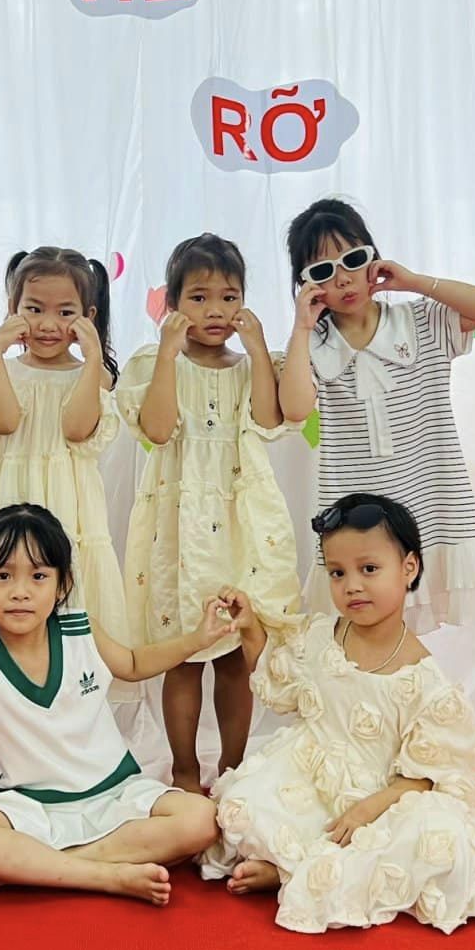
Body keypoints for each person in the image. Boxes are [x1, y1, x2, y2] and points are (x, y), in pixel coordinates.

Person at [204, 493, 475, 934]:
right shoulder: (322, 636)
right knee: (245, 805)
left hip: (387, 793)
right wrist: (250, 625)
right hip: (313, 771)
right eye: (338, 573)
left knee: (437, 839)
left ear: (409, 568)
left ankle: (294, 869)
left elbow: (428, 775)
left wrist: (368, 808)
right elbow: (276, 675)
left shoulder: (425, 682)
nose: (352, 585)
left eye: (369, 569)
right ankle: (296, 861)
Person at [0, 504, 222, 905]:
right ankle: (105, 875)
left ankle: (38, 868)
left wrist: (199, 639)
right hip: (31, 807)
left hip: (115, 793)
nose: (20, 591)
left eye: (38, 576)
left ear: (63, 585)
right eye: (3, 576)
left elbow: (132, 664)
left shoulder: (81, 630)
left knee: (201, 819)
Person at [119, 234, 301, 794]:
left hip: (240, 524)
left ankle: (233, 764)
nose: (216, 311)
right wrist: (167, 353)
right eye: (199, 298)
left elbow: (268, 421)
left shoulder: (250, 366)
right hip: (177, 526)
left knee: (234, 653)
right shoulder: (155, 363)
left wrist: (260, 347)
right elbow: (156, 430)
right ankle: (183, 767)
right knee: (183, 652)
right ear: (173, 304)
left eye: (229, 297)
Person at [279, 198, 475, 632]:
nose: (343, 279)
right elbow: (295, 408)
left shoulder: (418, 321)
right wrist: (302, 328)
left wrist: (415, 282)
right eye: (322, 271)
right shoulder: (314, 345)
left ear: (374, 258)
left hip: (427, 503)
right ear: (306, 285)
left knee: (403, 626)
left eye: (353, 260)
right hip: (353, 512)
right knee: (359, 629)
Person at [0, 247, 129, 691]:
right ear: (13, 308)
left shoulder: (93, 376)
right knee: (14, 609)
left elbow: (76, 429)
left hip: (70, 511)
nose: (47, 324)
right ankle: (16, 706)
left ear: (88, 317)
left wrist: (93, 355)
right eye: (34, 309)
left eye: (65, 312)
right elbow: (5, 421)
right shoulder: (5, 371)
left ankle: (75, 706)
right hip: (13, 502)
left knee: (69, 610)